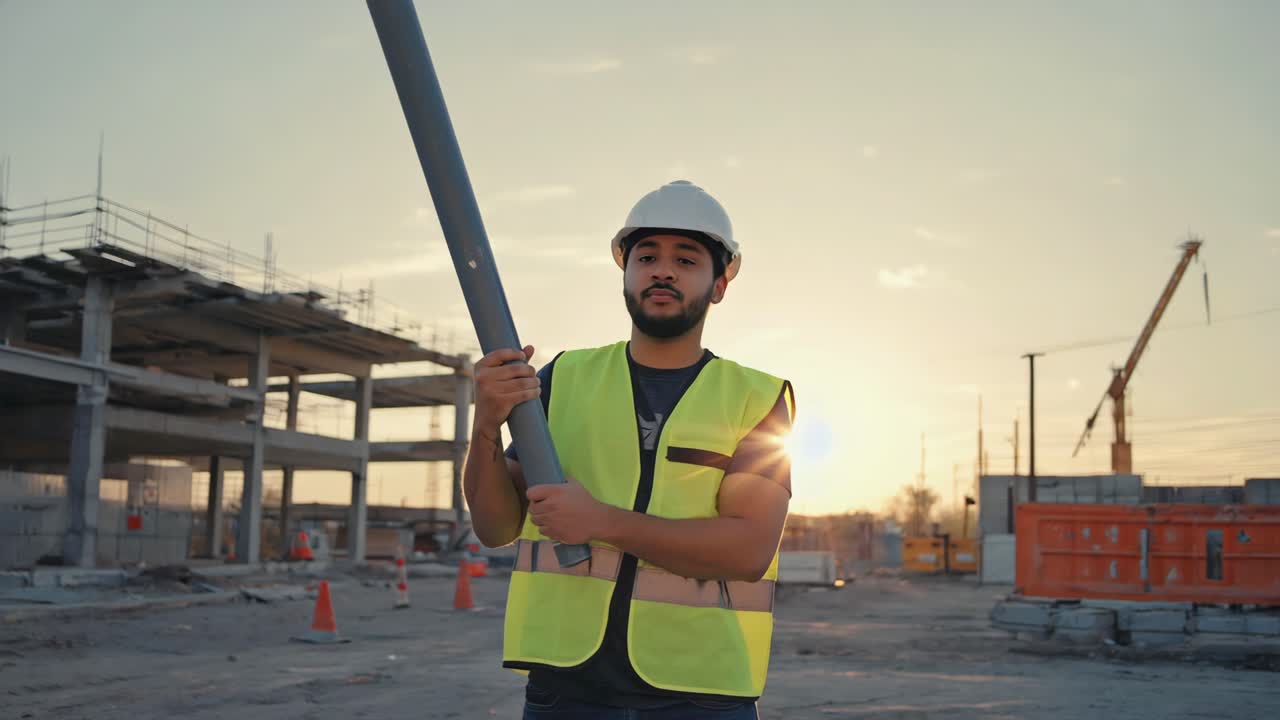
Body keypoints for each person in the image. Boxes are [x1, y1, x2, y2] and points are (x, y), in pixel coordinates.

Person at [463, 180, 795, 719]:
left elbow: (748, 550)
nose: (662, 270)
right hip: (565, 690)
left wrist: (600, 521)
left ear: (719, 285)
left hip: (701, 693)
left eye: (686, 259)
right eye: (646, 256)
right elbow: (496, 527)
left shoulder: (755, 398)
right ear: (625, 273)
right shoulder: (562, 378)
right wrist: (485, 422)